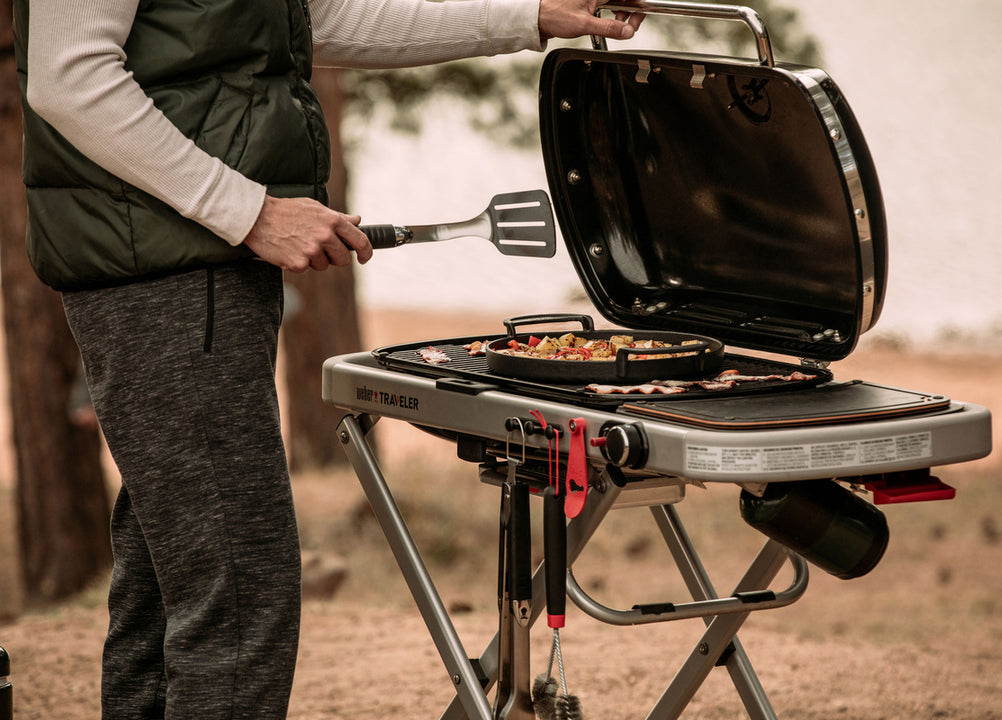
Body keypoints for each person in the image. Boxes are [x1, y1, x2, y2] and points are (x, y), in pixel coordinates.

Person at [11, 1, 643, 718]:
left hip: (187, 260)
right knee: (239, 592)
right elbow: (69, 77)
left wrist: (532, 15)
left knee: (170, 576)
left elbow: (315, 19)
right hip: (169, 269)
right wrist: (251, 212)